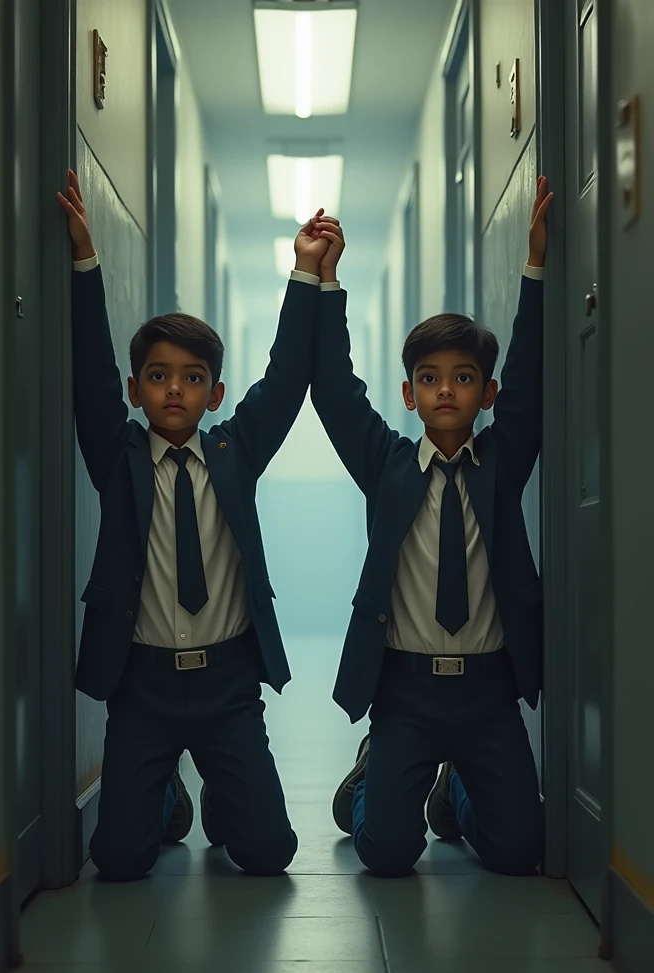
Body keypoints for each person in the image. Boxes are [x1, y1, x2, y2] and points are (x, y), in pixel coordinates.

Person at [57, 170, 338, 881]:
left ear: (214, 393)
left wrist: (306, 275)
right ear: (136, 390)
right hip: (142, 685)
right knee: (118, 862)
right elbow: (89, 375)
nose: (173, 389)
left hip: (227, 684)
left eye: (190, 377)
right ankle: (165, 799)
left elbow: (285, 378)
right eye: (156, 376)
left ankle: (224, 795)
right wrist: (84, 261)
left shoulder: (234, 449)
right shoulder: (118, 457)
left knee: (269, 856)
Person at [311, 178, 554, 877]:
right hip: (405, 690)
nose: (446, 390)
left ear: (487, 392)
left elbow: (533, 380)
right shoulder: (385, 463)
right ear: (409, 392)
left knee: (517, 852)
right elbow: (333, 389)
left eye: (464, 377)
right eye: (429, 377)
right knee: (386, 854)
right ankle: (373, 776)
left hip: (487, 690)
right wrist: (328, 286)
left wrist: (535, 269)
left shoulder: (502, 464)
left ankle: (459, 790)